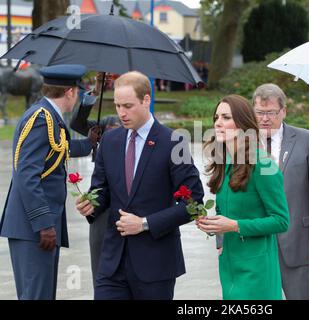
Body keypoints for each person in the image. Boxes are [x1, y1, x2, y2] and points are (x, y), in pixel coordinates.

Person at [75, 71, 204, 300]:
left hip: (155, 264)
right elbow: (102, 189)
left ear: (146, 100)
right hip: (112, 263)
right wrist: (91, 203)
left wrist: (144, 223)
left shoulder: (175, 142)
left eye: (128, 105)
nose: (121, 113)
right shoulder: (109, 141)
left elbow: (193, 204)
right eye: (117, 106)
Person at [0, 64, 98, 300]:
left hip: (35, 226)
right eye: (79, 92)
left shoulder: (49, 114)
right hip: (33, 227)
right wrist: (43, 224)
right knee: (36, 296)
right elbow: (26, 174)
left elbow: (58, 148)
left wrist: (89, 143)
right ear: (71, 92)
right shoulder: (41, 118)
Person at [198, 94, 290, 300]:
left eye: (226, 118)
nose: (218, 123)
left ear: (242, 123)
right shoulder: (224, 162)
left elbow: (282, 221)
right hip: (229, 264)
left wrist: (234, 225)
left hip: (257, 269)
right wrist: (212, 224)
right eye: (216, 117)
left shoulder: (263, 165)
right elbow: (224, 210)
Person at [254, 83, 309, 300]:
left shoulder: (308, 140)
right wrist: (222, 240)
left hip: (299, 244)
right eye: (259, 113)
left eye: (270, 113)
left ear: (284, 111)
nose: (264, 119)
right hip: (255, 246)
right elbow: (227, 195)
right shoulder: (243, 143)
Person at [70, 73, 121, 286]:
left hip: (131, 211)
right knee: (101, 275)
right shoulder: (106, 125)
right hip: (102, 210)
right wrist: (96, 91)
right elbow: (77, 122)